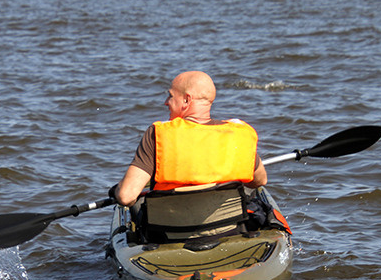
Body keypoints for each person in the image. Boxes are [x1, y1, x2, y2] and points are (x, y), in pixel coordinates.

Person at [111, 71, 267, 207]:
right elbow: (260, 180)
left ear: (186, 100)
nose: (166, 102)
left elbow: (126, 196)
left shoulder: (158, 133)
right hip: (228, 225)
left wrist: (117, 190)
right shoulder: (239, 134)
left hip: (167, 226)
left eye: (170, 96)